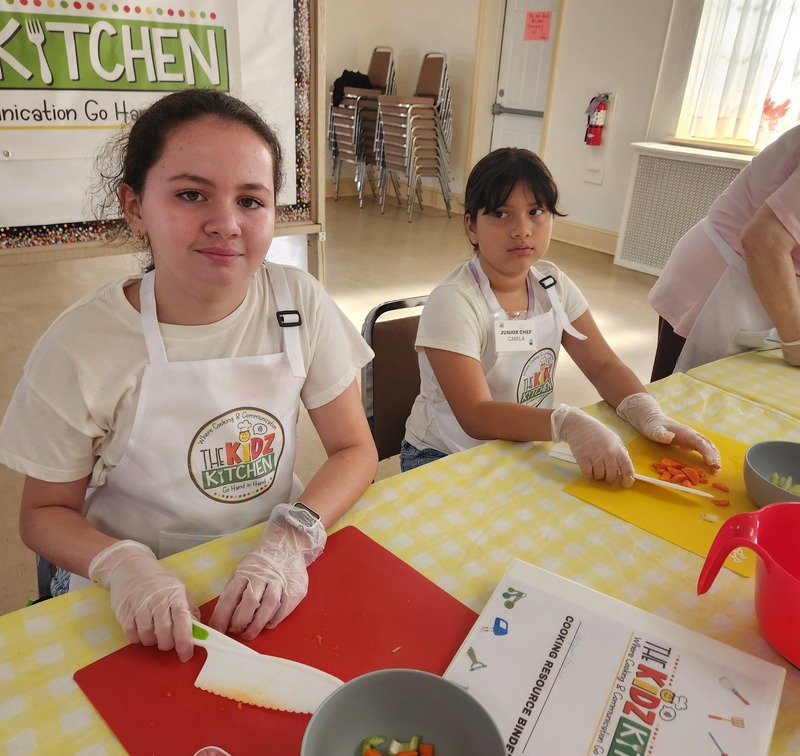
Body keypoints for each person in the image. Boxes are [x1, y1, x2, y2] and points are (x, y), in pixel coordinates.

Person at [0, 89, 378, 661]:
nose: (226, 224)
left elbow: (354, 449)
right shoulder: (83, 343)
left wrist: (292, 538)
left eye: (250, 200)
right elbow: (43, 514)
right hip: (136, 594)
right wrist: (123, 565)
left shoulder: (297, 302)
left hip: (269, 567)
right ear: (135, 207)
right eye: (191, 194)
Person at [401, 147, 720, 483]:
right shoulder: (455, 302)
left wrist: (648, 412)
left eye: (536, 211)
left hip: (522, 443)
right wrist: (566, 422)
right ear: (471, 227)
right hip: (447, 454)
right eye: (500, 213)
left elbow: (603, 365)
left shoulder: (552, 284)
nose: (522, 229)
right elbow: (475, 415)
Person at [649, 124, 800, 380]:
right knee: (677, 395)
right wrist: (796, 342)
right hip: (721, 282)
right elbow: (764, 240)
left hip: (753, 279)